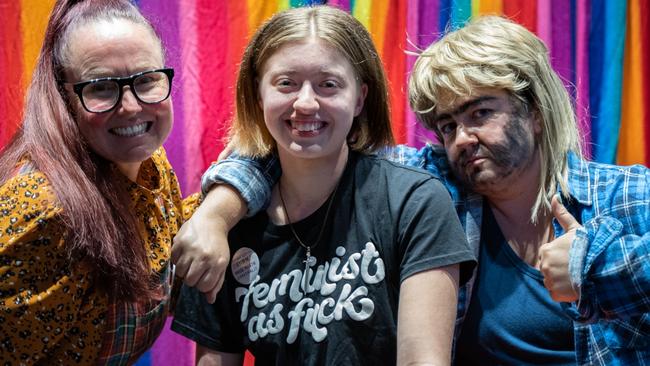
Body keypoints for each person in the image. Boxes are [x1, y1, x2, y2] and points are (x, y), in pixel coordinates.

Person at [173, 15, 650, 365]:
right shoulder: (435, 182)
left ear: (536, 111)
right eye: (447, 125)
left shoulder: (629, 195)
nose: (462, 139)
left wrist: (594, 265)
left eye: (481, 113)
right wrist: (216, 214)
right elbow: (295, 148)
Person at [170, 6, 475, 366]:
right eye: (286, 83)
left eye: (328, 85)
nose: (306, 103)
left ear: (360, 98)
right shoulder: (222, 225)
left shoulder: (415, 201)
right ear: (258, 94)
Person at [0, 0, 198, 363]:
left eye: (146, 80)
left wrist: (225, 205)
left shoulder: (150, 163)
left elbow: (166, 259)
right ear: (65, 97)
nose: (131, 106)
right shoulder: (42, 209)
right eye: (102, 88)